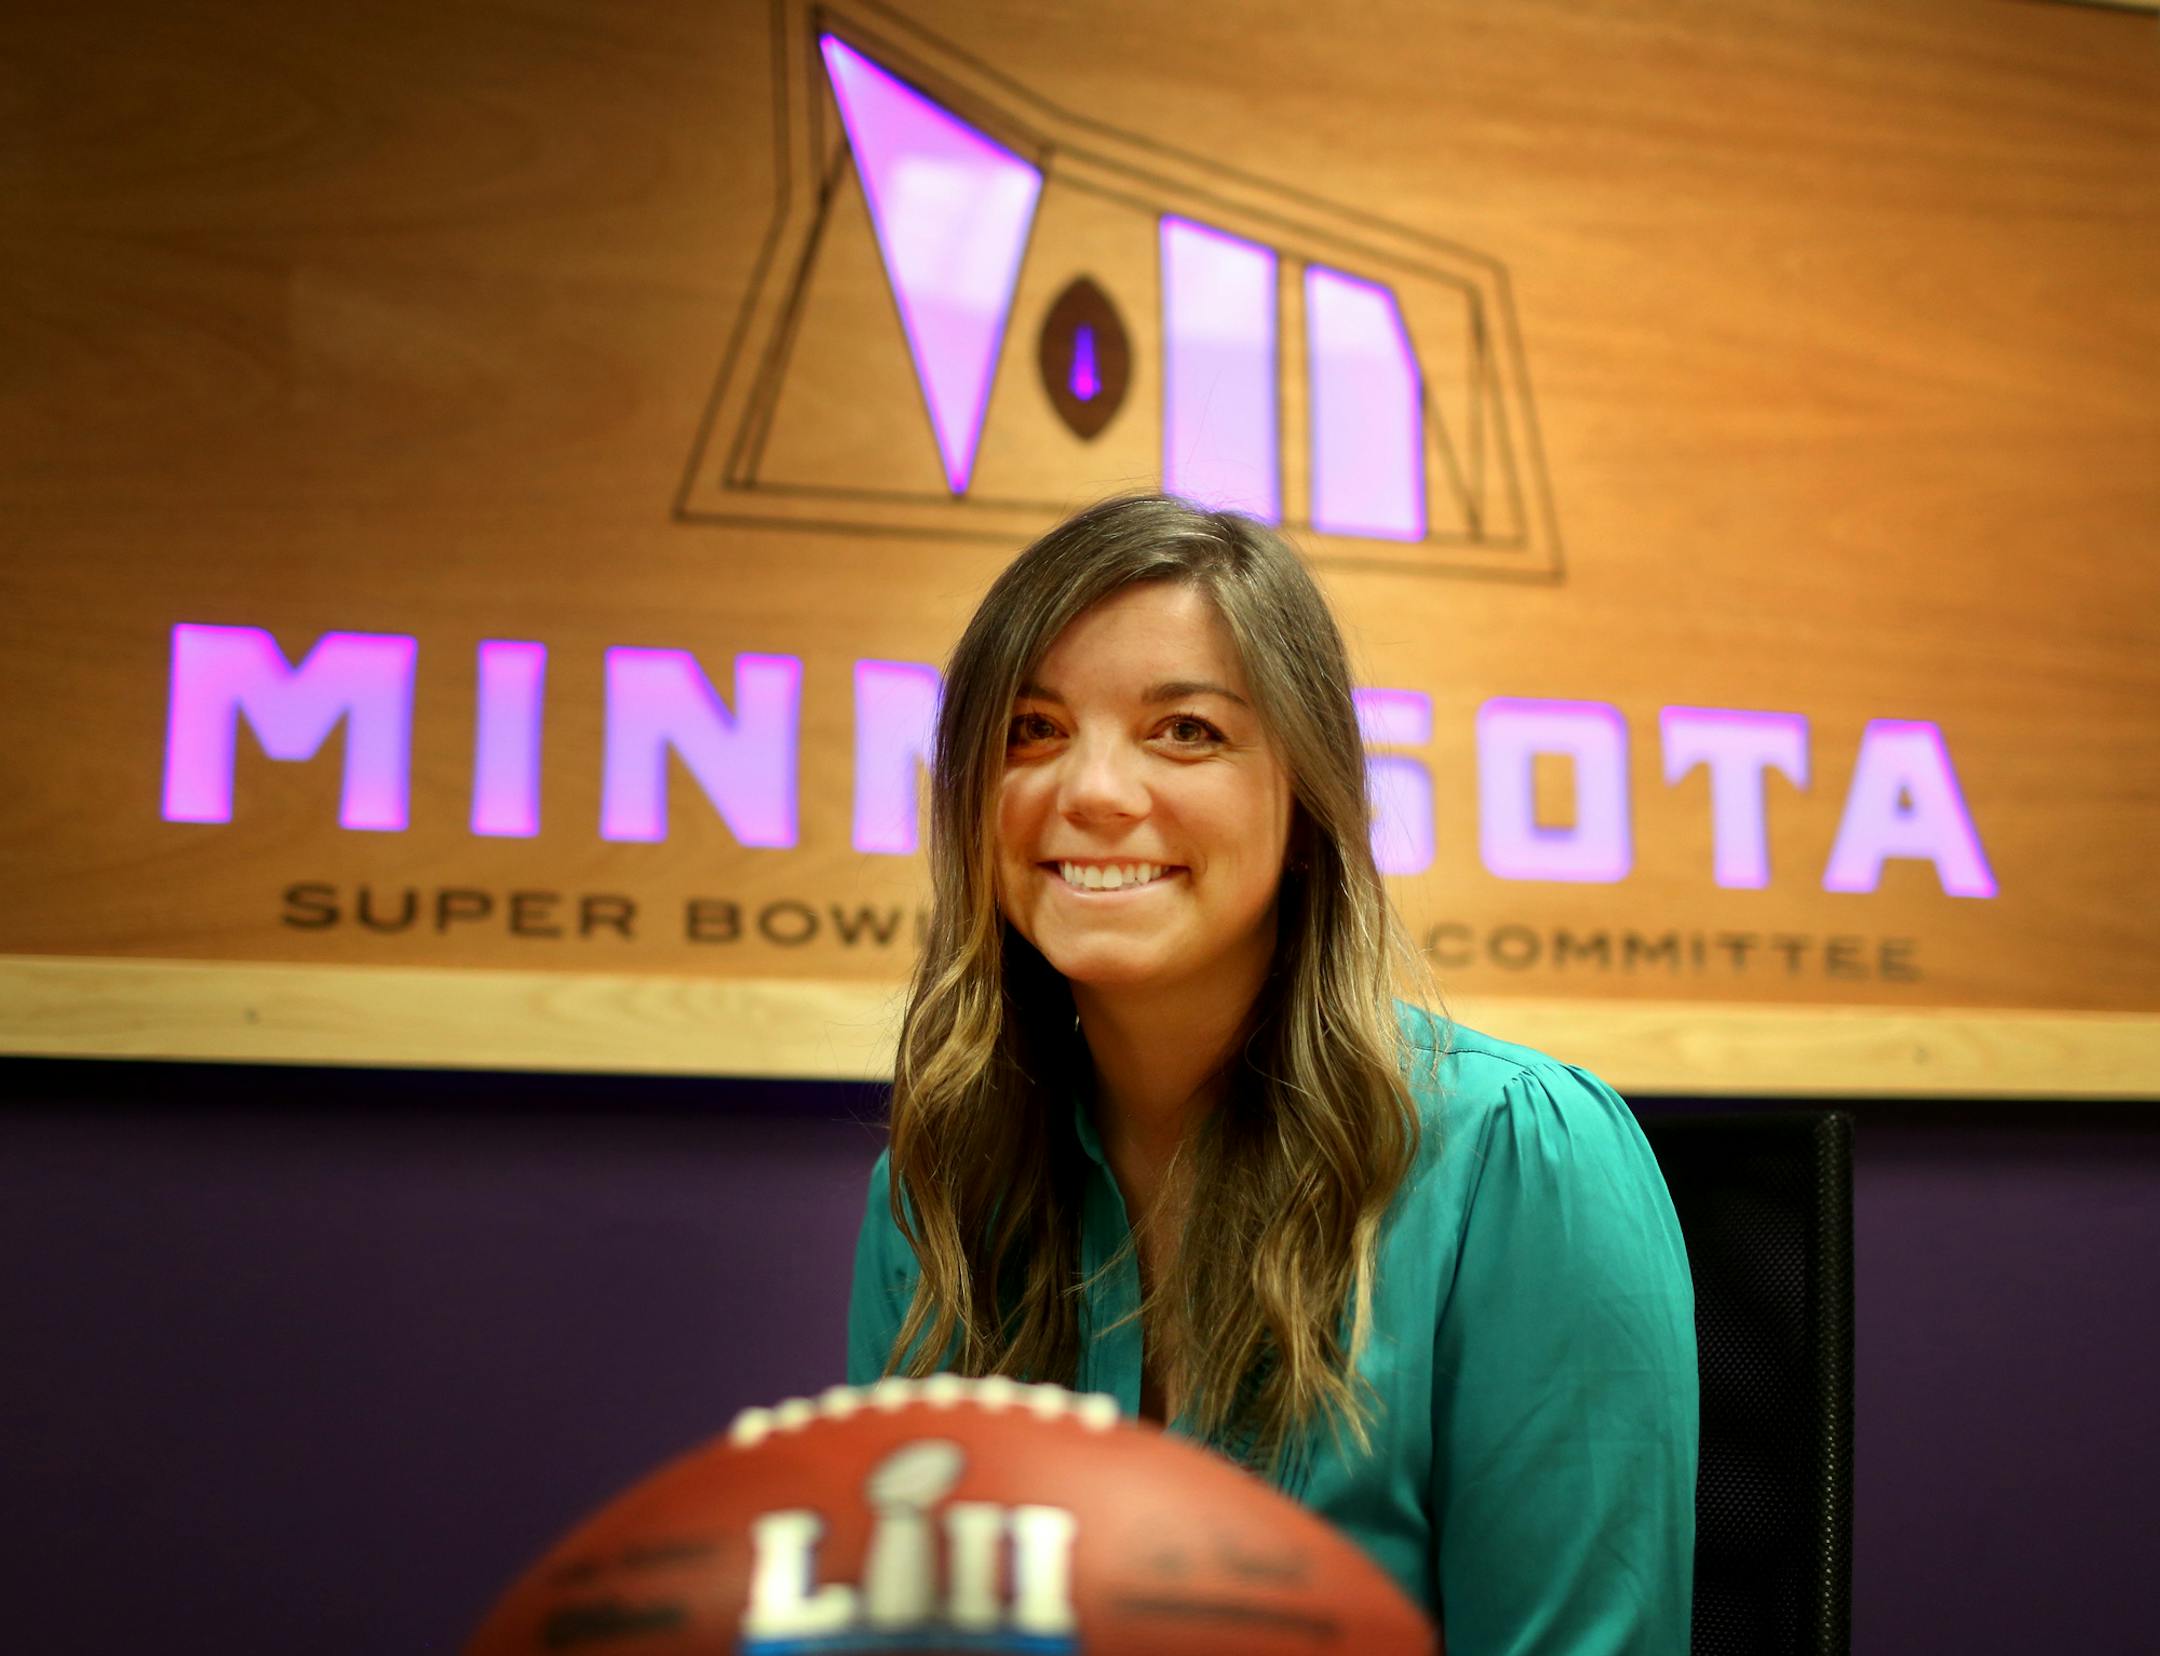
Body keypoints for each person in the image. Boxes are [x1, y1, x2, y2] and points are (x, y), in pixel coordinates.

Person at [846, 493, 1698, 1652]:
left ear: (1305, 796)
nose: (1090, 791)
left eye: (1185, 731)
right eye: (1032, 730)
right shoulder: (939, 1188)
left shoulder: (1520, 1154)